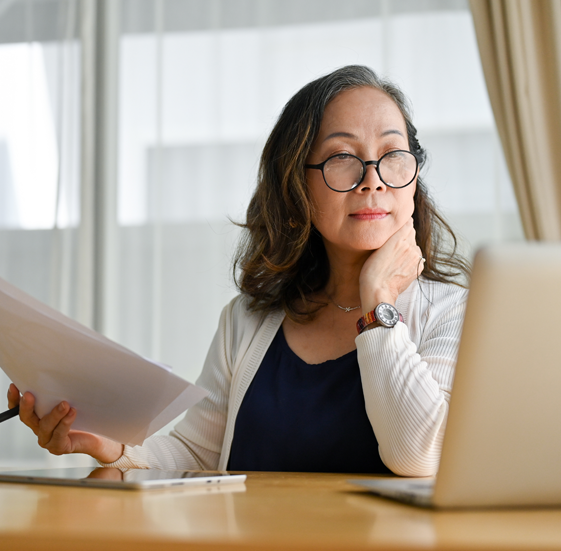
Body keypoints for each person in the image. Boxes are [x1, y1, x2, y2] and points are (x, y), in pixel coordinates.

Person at [7, 65, 469, 477]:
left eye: (392, 155)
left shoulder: (452, 312)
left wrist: (378, 302)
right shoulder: (246, 320)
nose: (373, 178)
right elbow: (195, 452)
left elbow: (418, 455)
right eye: (342, 158)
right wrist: (114, 450)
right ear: (298, 185)